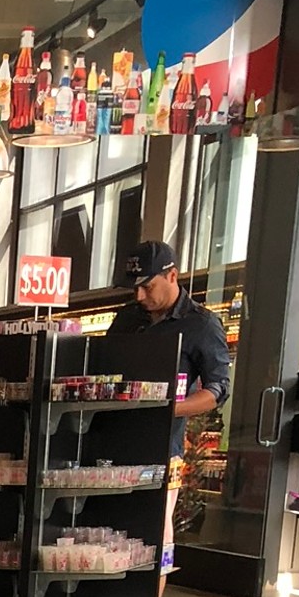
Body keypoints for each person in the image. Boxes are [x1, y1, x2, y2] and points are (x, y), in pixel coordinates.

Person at [108, 241, 231, 568]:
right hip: (109, 445)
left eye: (147, 287)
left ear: (172, 275)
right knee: (106, 537)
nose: (139, 297)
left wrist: (167, 409)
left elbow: (218, 389)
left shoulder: (201, 325)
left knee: (154, 540)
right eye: (134, 289)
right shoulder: (127, 319)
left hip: (161, 452)